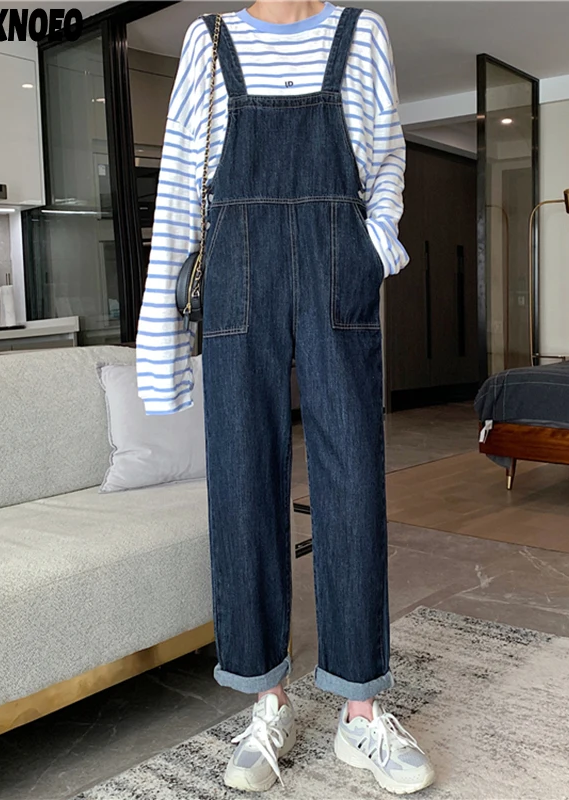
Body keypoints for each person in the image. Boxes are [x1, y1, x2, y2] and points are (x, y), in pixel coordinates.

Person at [136, 1, 434, 793]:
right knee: (243, 484)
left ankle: (360, 710)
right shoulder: (209, 41)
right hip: (238, 271)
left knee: (353, 484)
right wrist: (159, 354)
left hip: (339, 267)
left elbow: (385, 157)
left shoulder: (362, 32)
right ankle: (265, 701)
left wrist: (373, 245)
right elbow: (179, 193)